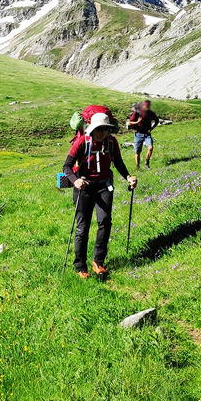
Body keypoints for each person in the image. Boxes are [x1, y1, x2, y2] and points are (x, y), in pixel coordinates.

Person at [62, 112, 137, 279]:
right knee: (83, 227)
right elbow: (66, 166)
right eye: (100, 129)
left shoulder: (111, 142)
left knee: (105, 222)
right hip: (84, 187)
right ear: (92, 129)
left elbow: (118, 162)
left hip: (104, 186)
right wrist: (75, 180)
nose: (103, 133)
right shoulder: (82, 142)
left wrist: (128, 177)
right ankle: (80, 266)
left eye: (106, 129)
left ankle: (98, 262)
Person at [128, 99, 159, 169]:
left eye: (148, 106)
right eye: (146, 106)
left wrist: (151, 128)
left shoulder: (151, 113)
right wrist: (137, 122)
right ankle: (137, 167)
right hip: (138, 134)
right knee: (137, 152)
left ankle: (146, 163)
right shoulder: (137, 112)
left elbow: (157, 121)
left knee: (150, 148)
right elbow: (130, 122)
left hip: (147, 134)